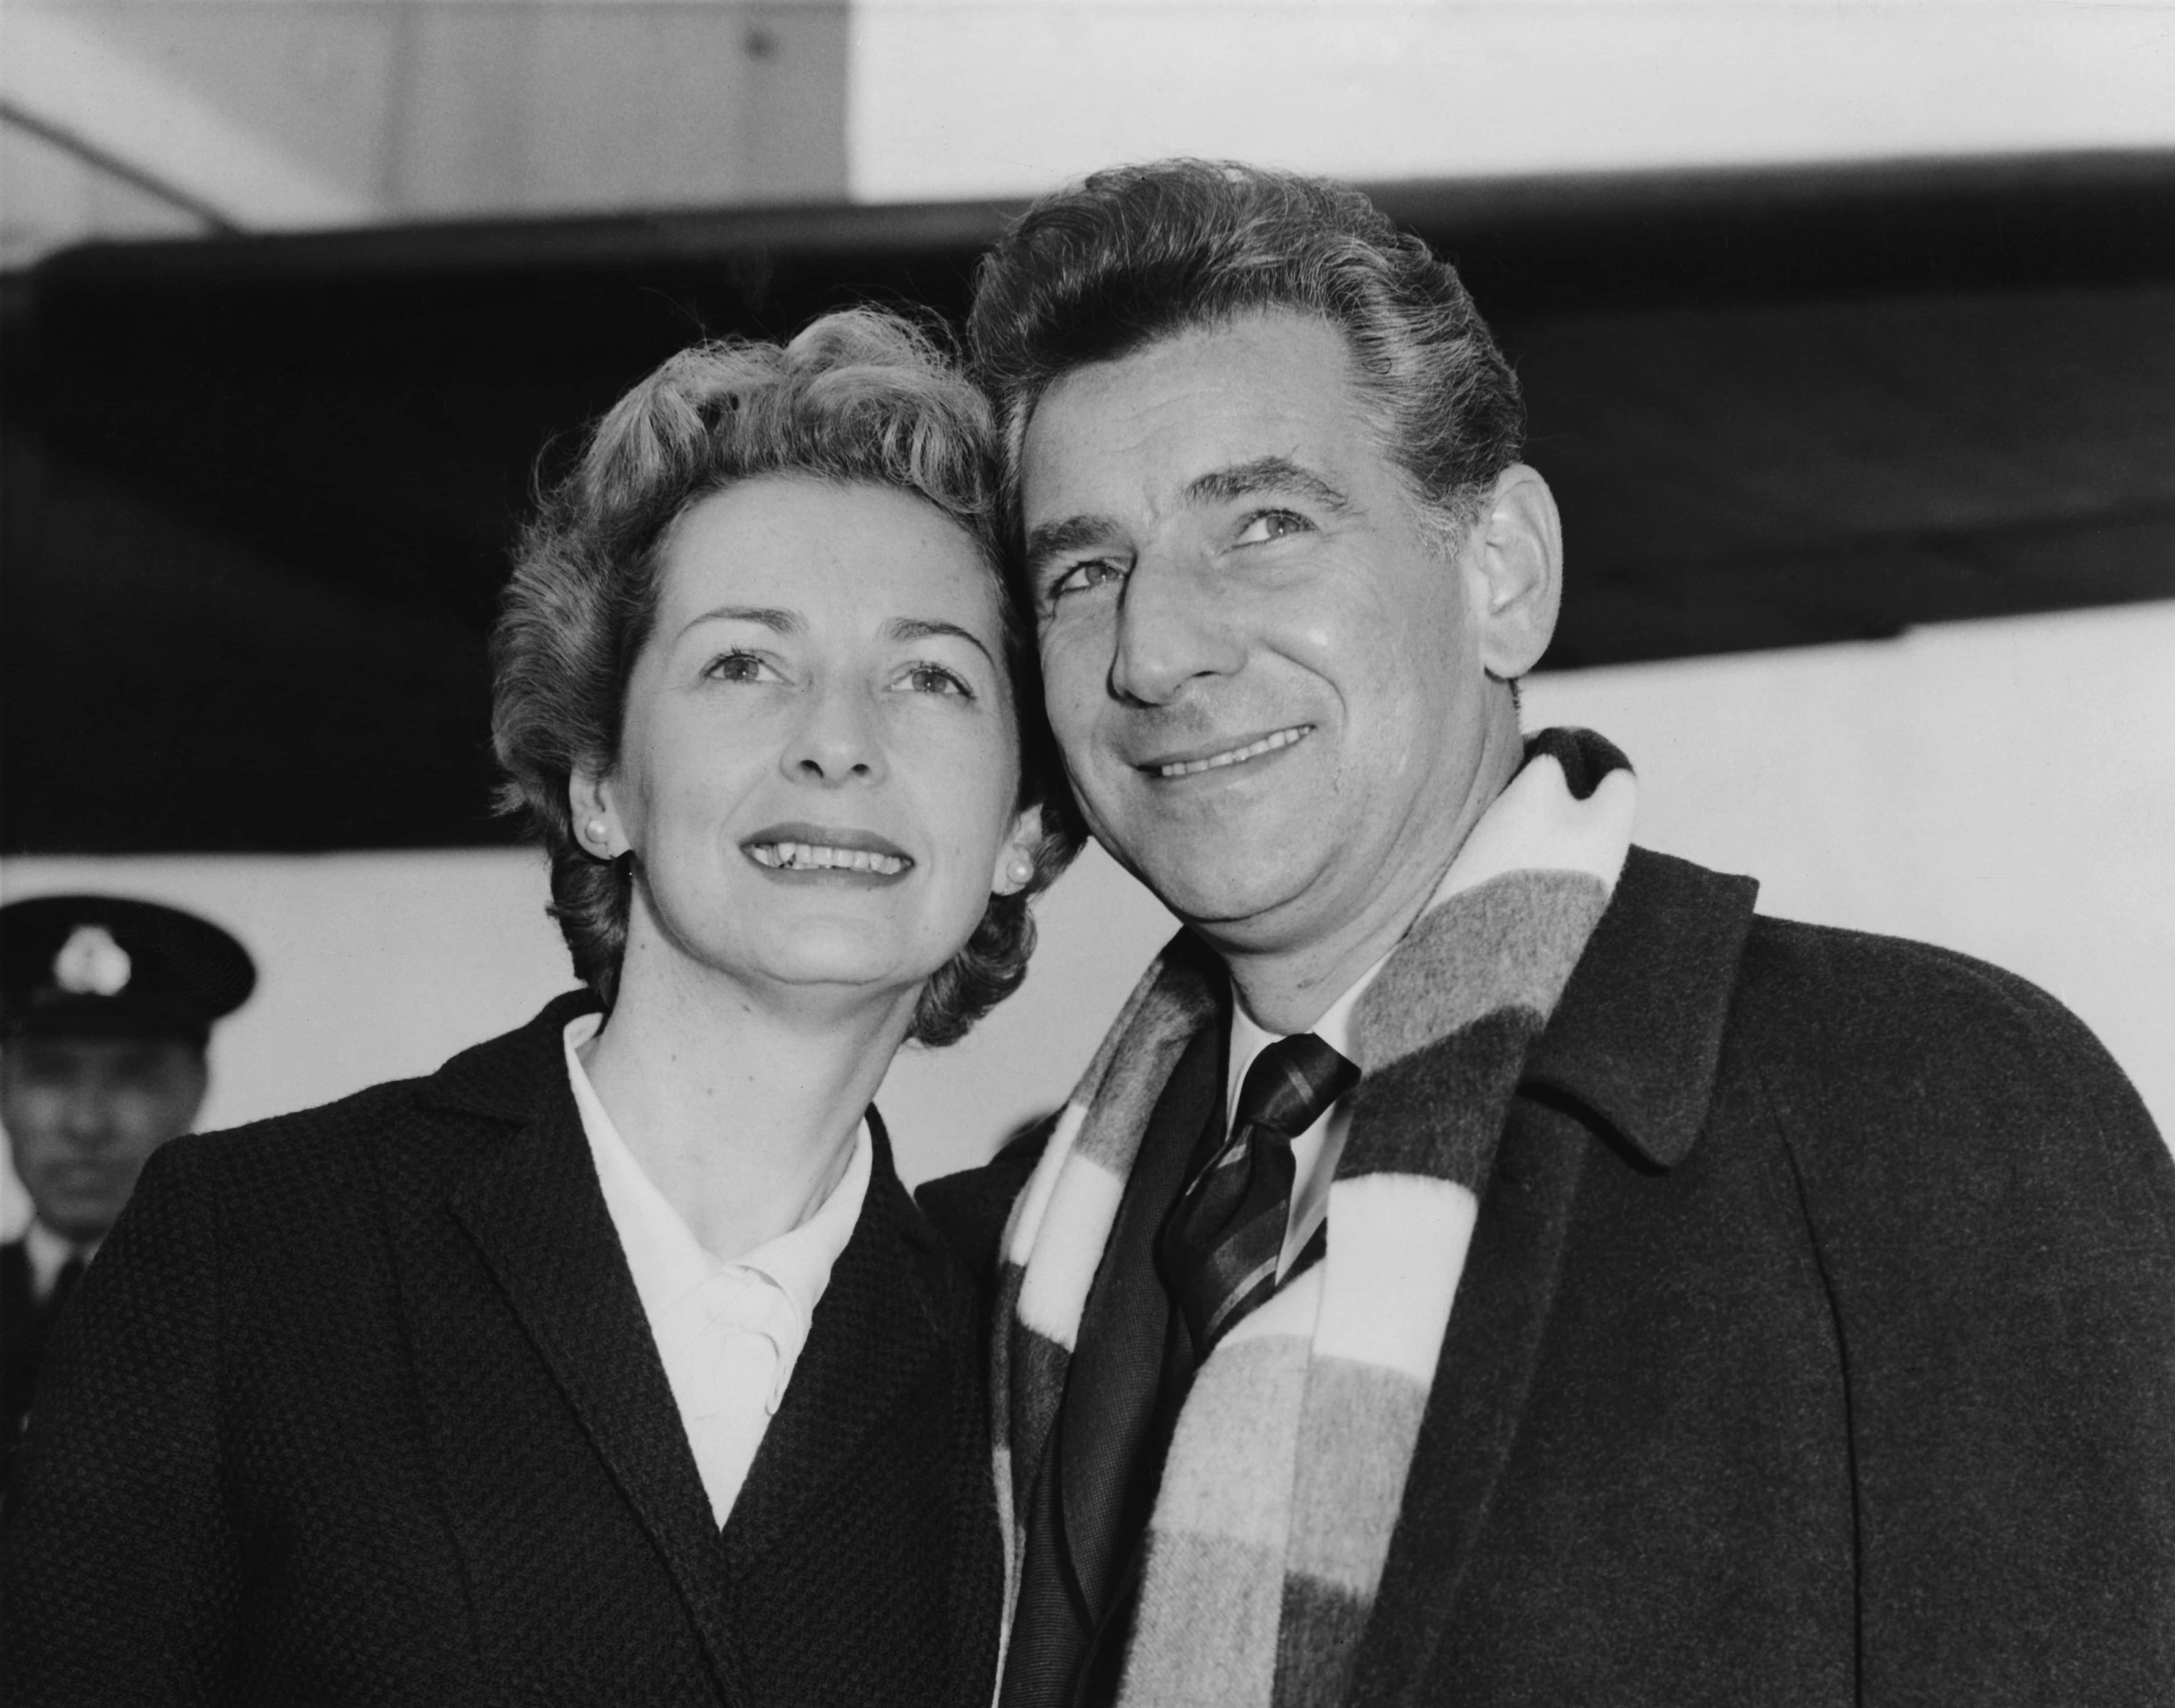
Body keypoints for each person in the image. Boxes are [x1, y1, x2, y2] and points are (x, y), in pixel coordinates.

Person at [919, 160, 2175, 1708]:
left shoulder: (1938, 1110)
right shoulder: (1029, 1249)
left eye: (1261, 522)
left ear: (1500, 573)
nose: (1158, 649)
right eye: (1088, 569)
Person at [1, 309, 1073, 1706]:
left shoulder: (1023, 1370)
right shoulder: (249, 1256)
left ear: (1022, 829)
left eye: (931, 675)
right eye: (743, 662)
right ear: (598, 785)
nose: (836, 739)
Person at [0, 895, 255, 1498]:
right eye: (51, 1071)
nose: (87, 1123)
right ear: (5, 1086)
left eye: (134, 1073)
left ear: (195, 1087)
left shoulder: (269, 1321)